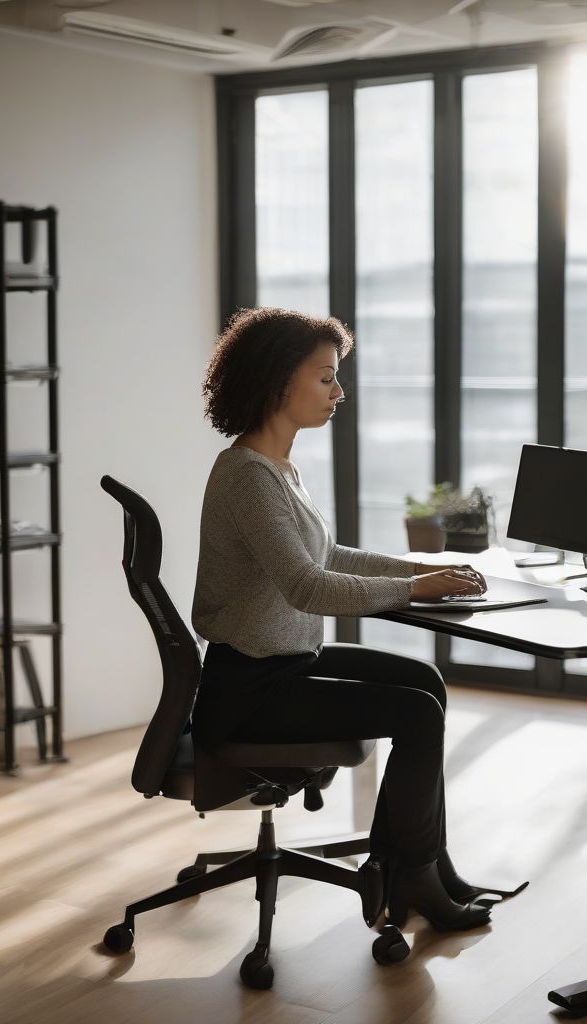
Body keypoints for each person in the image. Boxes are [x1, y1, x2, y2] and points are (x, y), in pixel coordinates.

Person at [191, 306, 499, 932]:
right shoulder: (247, 475)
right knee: (417, 714)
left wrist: (418, 575)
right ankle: (411, 878)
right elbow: (308, 585)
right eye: (326, 377)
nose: (339, 391)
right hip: (250, 690)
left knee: (425, 685)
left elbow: (328, 555)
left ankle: (419, 861)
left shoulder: (278, 469)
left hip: (282, 664)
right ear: (280, 380)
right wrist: (414, 591)